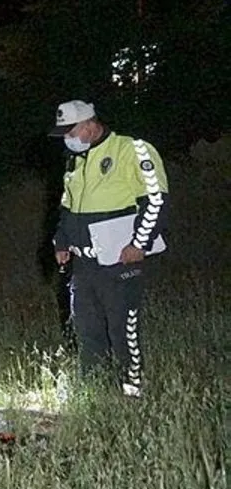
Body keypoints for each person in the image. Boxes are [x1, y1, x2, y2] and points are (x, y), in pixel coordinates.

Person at [48, 100, 169, 398]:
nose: (68, 139)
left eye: (72, 131)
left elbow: (155, 199)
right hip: (84, 264)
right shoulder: (75, 161)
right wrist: (62, 240)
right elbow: (67, 206)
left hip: (119, 260)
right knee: (86, 330)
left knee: (123, 329)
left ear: (90, 125)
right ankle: (95, 392)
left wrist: (139, 243)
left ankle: (133, 392)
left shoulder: (131, 149)